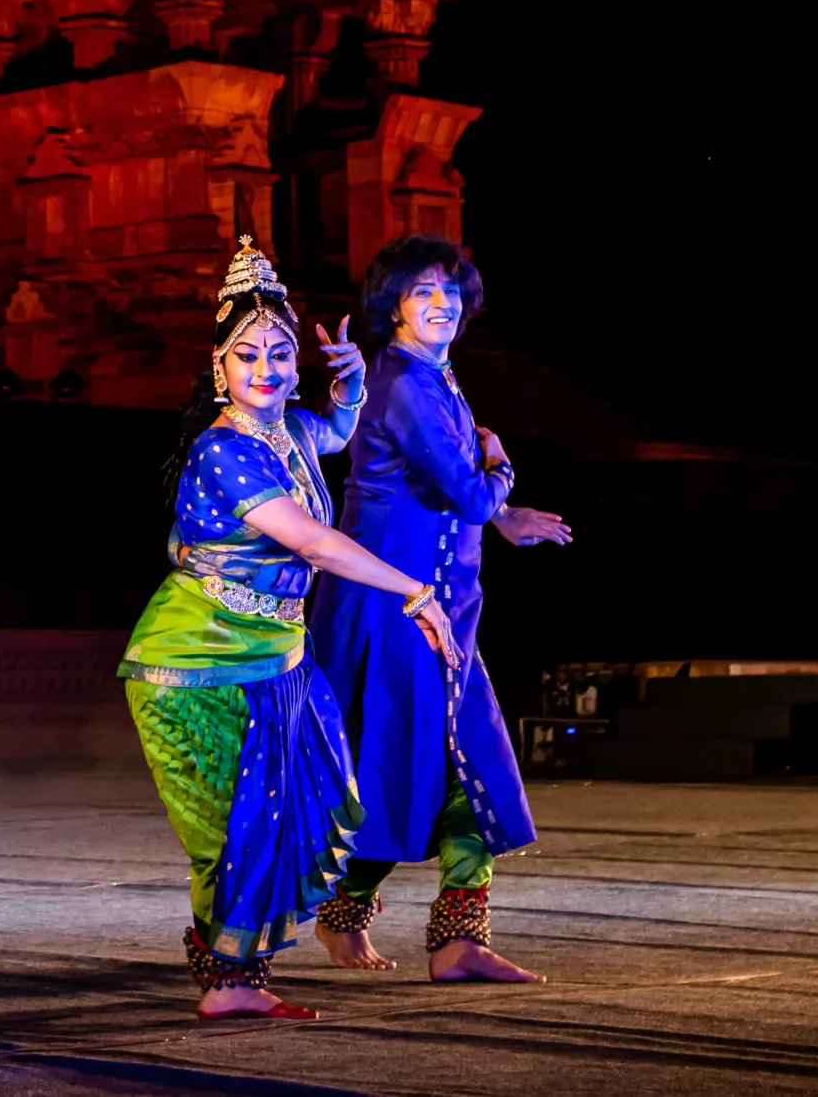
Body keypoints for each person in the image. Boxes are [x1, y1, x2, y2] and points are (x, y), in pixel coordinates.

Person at [119, 236, 462, 1019]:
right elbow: (311, 538)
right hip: (193, 660)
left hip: (277, 655)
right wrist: (414, 589)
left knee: (300, 801)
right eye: (248, 357)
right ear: (220, 369)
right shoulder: (223, 450)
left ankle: (233, 969)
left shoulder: (291, 432)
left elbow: (334, 433)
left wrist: (346, 387)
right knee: (232, 824)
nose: (267, 370)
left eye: (279, 353)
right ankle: (231, 980)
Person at [307, 233, 573, 983]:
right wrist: (501, 469)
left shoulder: (435, 375)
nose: (443, 305)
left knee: (449, 762)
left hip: (441, 601)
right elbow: (464, 485)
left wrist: (503, 513)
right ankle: (350, 914)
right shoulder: (405, 384)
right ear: (391, 305)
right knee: (408, 762)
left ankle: (448, 936)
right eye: (425, 292)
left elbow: (456, 494)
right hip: (392, 603)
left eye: (451, 294)